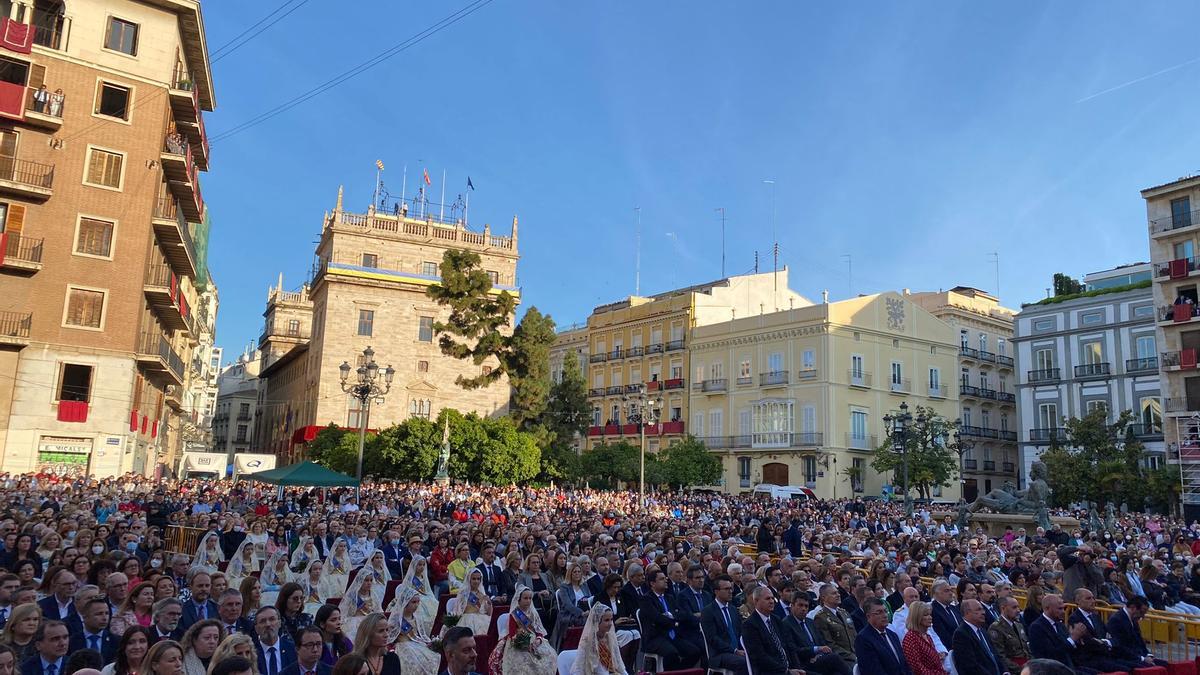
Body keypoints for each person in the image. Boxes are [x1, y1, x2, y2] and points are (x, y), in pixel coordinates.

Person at [638, 569, 700, 670]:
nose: (666, 580)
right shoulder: (646, 599)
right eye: (662, 579)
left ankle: (678, 672)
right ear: (652, 583)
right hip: (655, 637)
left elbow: (681, 614)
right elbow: (657, 618)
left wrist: (670, 615)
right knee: (671, 653)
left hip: (672, 636)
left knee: (694, 652)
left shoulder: (670, 597)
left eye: (666, 578)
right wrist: (675, 621)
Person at [740, 586, 803, 675]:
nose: (771, 601)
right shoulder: (749, 625)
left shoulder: (776, 620)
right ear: (756, 601)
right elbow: (760, 657)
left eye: (773, 598)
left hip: (789, 668)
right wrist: (787, 671)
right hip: (770, 671)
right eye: (767, 598)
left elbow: (790, 646)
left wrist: (797, 668)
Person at [495, 586, 557, 675]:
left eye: (530, 598)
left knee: (549, 657)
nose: (528, 601)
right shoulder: (514, 614)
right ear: (519, 599)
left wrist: (538, 640)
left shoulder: (534, 613)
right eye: (525, 598)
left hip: (535, 641)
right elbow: (512, 634)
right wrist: (525, 644)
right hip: (518, 643)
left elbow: (539, 630)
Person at [1026, 595, 1087, 673]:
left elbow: (1070, 650)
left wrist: (1078, 640)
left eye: (1063, 608)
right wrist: (1073, 638)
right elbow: (1051, 655)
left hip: (1070, 667)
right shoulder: (1037, 627)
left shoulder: (1060, 625)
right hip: (1052, 670)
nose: (1063, 612)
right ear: (1047, 608)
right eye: (1060, 609)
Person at [700, 574, 747, 675]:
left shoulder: (733, 609)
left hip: (737, 651)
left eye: (731, 588)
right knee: (743, 662)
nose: (730, 591)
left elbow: (740, 632)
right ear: (716, 591)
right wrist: (734, 651)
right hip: (719, 654)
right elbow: (713, 639)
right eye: (726, 589)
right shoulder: (708, 612)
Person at [386, 589, 439, 675]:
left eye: (418, 602)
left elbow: (419, 635)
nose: (416, 605)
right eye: (413, 602)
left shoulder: (416, 617)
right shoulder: (397, 619)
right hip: (403, 647)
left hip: (416, 645)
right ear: (406, 603)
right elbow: (390, 636)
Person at [1105, 595, 1167, 668]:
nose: (1143, 616)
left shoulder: (1133, 619)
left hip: (1138, 656)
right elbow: (1120, 646)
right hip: (1125, 657)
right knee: (1150, 668)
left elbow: (1139, 640)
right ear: (1133, 607)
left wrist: (1148, 655)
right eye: (1141, 613)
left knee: (1165, 664)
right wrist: (1142, 658)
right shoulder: (1116, 620)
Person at [855, 598, 911, 675]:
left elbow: (905, 664)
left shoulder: (892, 635)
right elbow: (873, 671)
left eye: (885, 611)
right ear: (868, 616)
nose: (885, 615)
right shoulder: (863, 639)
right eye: (879, 612)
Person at [570, 606, 625, 675]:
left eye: (611, 619)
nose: (611, 623)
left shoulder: (610, 639)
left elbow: (619, 663)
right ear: (597, 621)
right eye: (606, 620)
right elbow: (578, 669)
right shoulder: (587, 641)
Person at [951, 599, 1001, 675]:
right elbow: (970, 666)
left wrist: (1005, 671)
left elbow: (995, 654)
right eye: (978, 610)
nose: (983, 612)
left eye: (983, 609)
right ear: (967, 613)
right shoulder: (961, 634)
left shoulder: (983, 630)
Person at [813, 583, 857, 667]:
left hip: (856, 654)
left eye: (838, 592)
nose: (838, 595)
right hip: (843, 659)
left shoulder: (844, 613)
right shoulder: (821, 617)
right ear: (823, 597)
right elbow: (830, 644)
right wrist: (852, 656)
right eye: (834, 593)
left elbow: (854, 634)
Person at [987, 597, 1030, 675]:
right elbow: (1001, 656)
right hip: (1014, 670)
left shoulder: (1019, 625)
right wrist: (1021, 668)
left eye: (1018, 607)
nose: (1018, 610)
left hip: (1027, 665)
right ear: (1003, 608)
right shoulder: (996, 628)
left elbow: (1027, 648)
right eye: (1014, 607)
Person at [69, 598, 119, 664]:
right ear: (84, 617)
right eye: (99, 614)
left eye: (107, 613)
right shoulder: (72, 641)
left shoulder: (117, 641)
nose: (104, 618)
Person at [900, 602, 946, 675]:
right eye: (926, 615)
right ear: (917, 617)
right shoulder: (911, 638)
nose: (930, 617)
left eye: (930, 614)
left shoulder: (927, 636)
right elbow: (918, 669)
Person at [393, 558, 435, 634]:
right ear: (414, 565)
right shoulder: (410, 578)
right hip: (415, 598)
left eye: (423, 565)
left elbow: (428, 590)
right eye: (419, 565)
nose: (422, 567)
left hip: (426, 598)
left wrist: (432, 598)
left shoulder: (424, 577)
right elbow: (406, 591)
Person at [448, 569, 491, 637]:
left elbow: (488, 613)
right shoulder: (463, 593)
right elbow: (458, 610)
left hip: (483, 620)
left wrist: (489, 604)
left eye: (478, 579)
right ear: (469, 579)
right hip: (466, 619)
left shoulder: (483, 593)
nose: (476, 581)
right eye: (474, 579)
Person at [251, 608, 294, 675]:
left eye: (272, 619)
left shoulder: (293, 649)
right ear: (256, 629)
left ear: (279, 623)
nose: (268, 624)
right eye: (262, 621)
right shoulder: (251, 652)